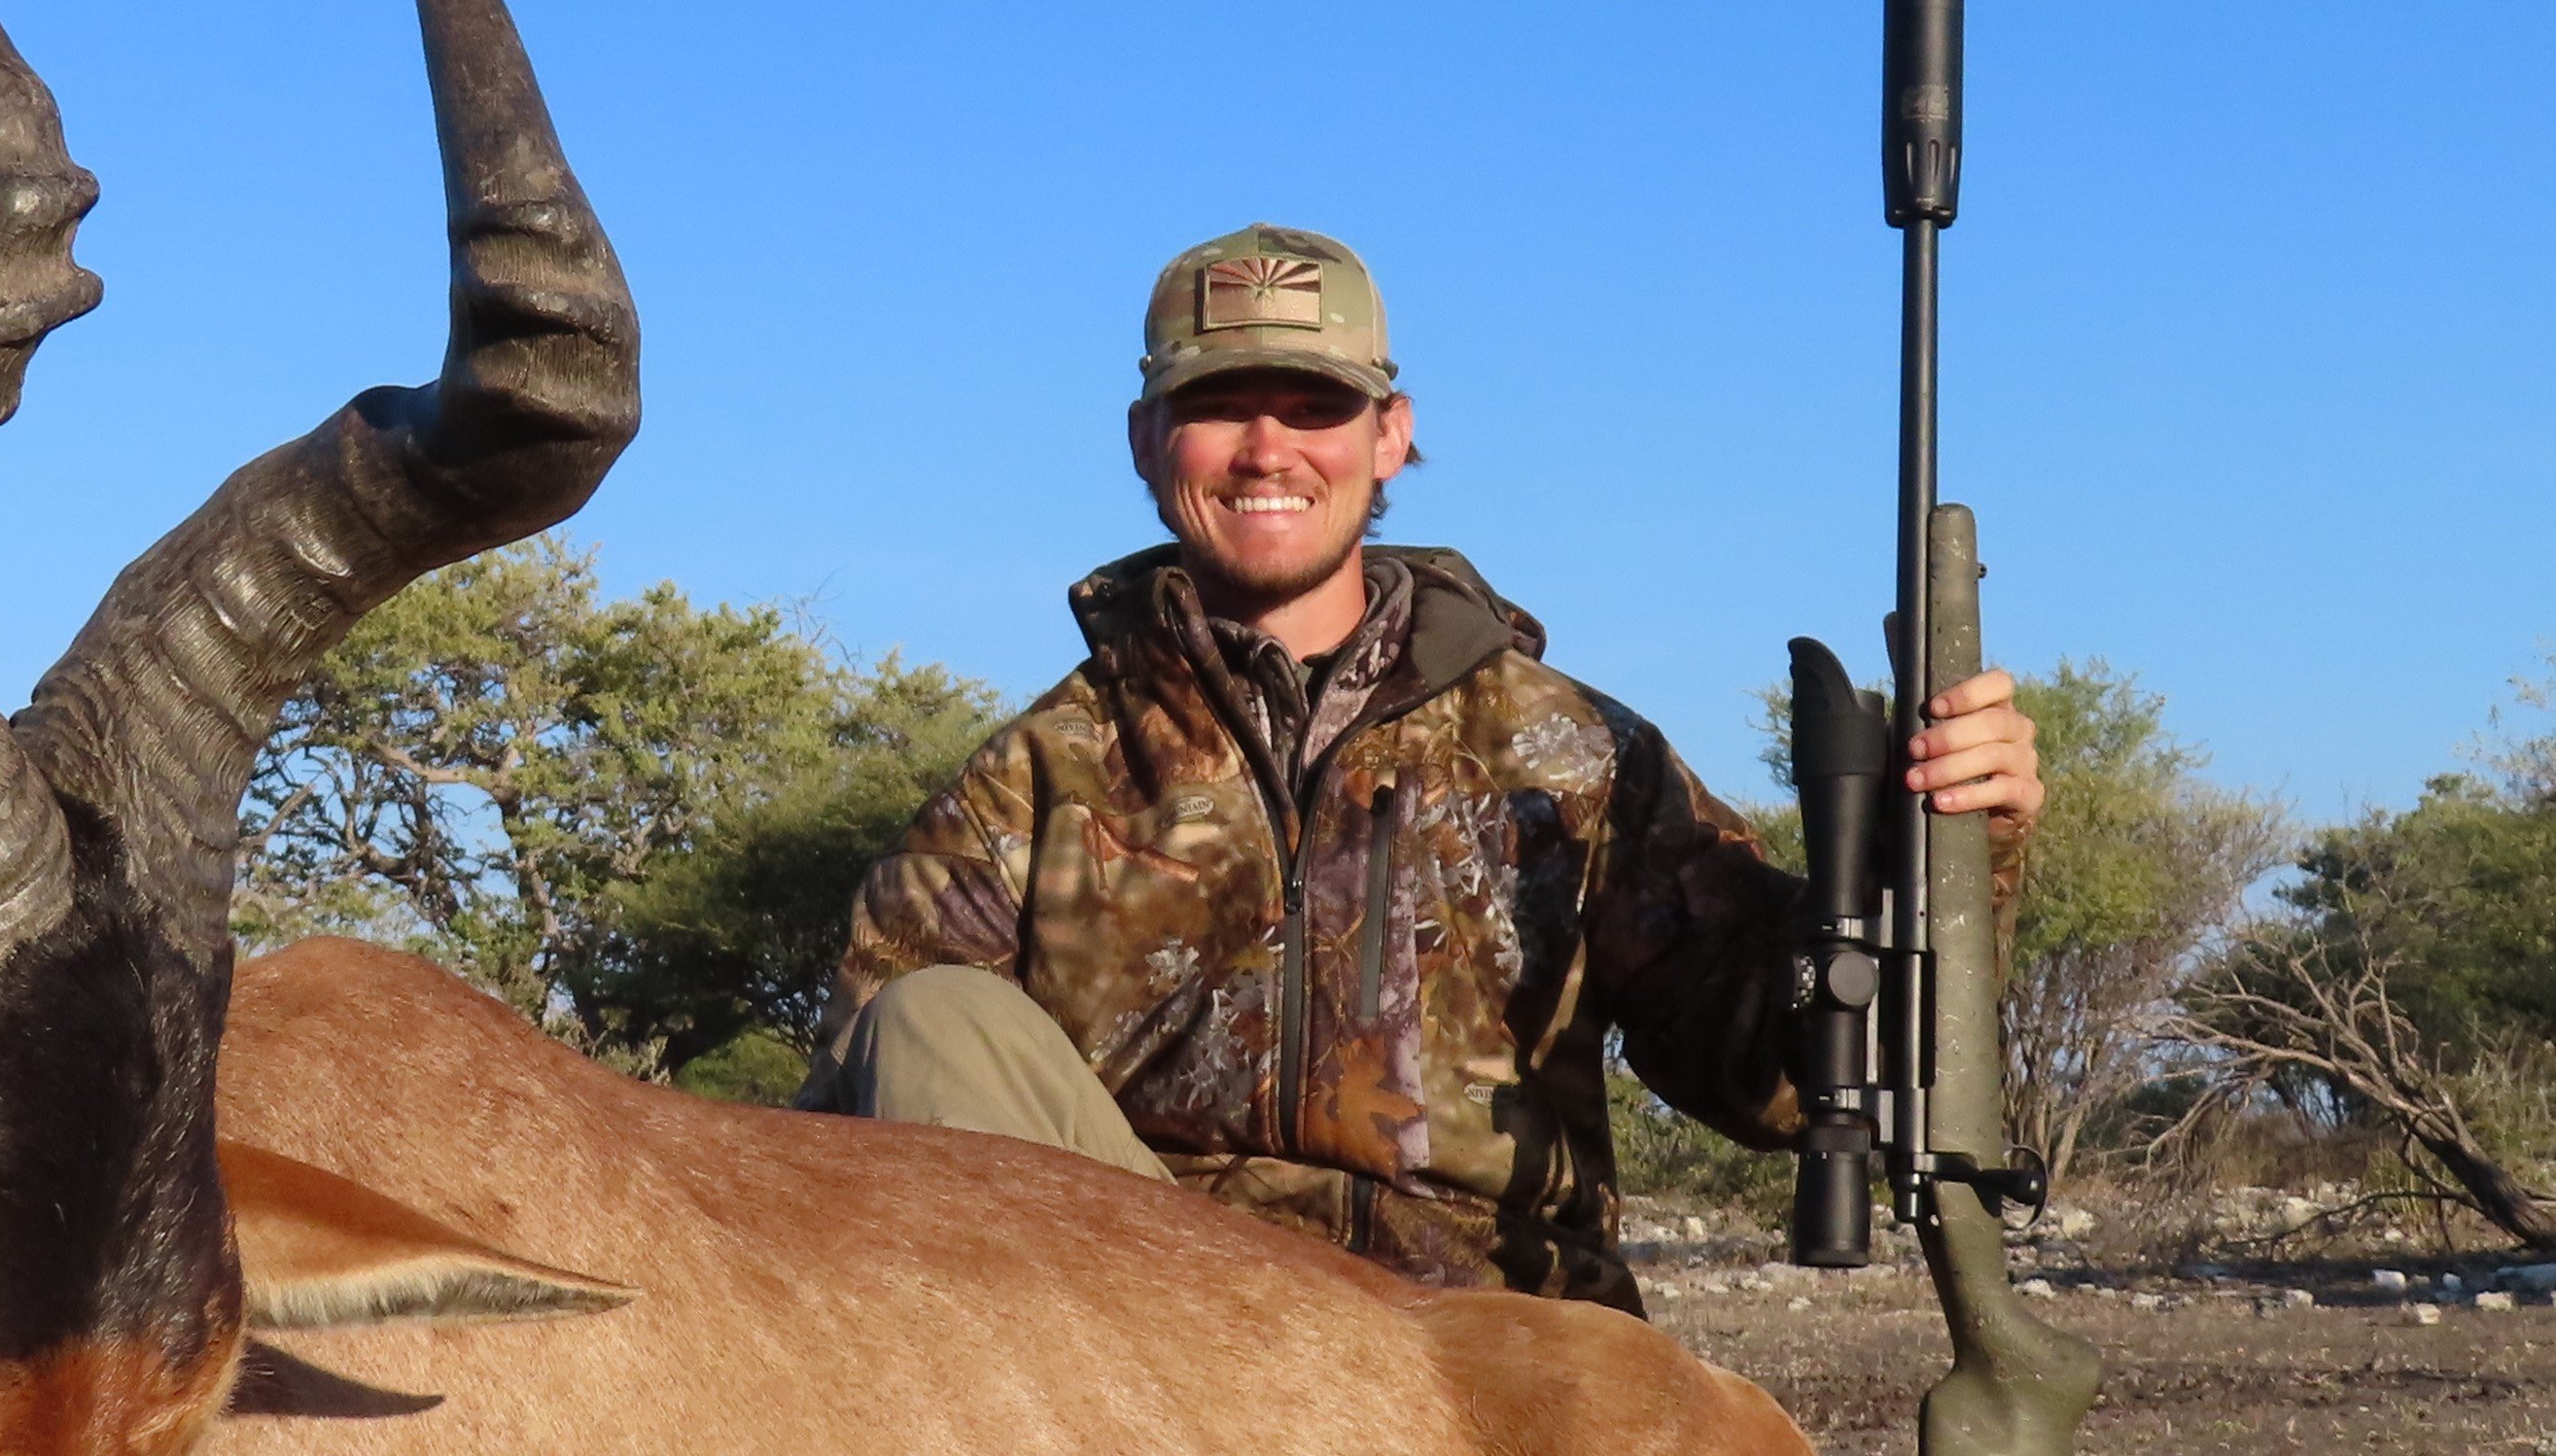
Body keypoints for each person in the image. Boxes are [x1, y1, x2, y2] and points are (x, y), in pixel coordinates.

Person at [806, 224, 2047, 1313]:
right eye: (1217, 405)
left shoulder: (1570, 746)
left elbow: (1776, 1080)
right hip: (1164, 1340)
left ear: (1389, 434)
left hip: (1487, 1339)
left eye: (1313, 407)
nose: (1264, 449)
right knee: (928, 1024)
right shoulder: (1036, 774)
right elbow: (852, 1119)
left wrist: (1942, 843)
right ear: (1146, 438)